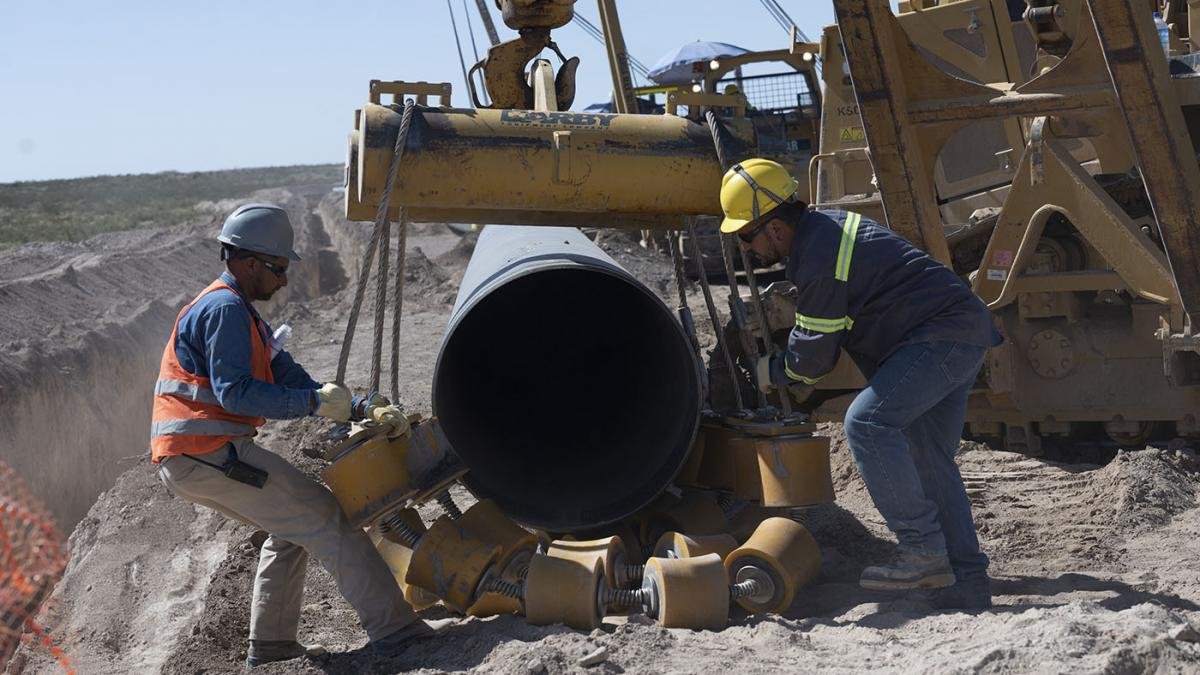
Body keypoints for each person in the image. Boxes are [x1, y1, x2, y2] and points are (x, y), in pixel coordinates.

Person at [151, 203, 433, 667]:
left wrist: (356, 405)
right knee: (324, 515)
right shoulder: (223, 310)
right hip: (207, 452)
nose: (283, 280)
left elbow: (293, 378)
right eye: (278, 268)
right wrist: (312, 405)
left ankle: (272, 646)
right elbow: (237, 394)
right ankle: (397, 630)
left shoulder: (243, 313)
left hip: (195, 457)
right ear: (245, 262)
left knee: (290, 527)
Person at [718, 159, 1002, 609]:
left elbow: (813, 357)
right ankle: (968, 584)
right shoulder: (824, 232)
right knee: (930, 459)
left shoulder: (818, 253)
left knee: (866, 423)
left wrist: (774, 372)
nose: (747, 249)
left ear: (773, 228)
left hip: (937, 338)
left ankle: (922, 550)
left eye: (746, 236)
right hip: (960, 333)